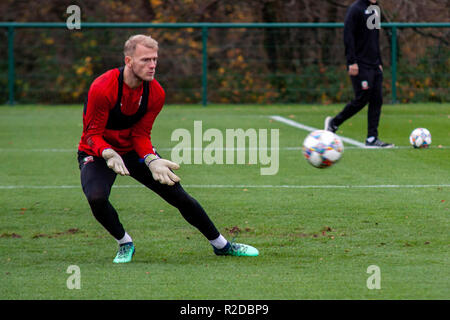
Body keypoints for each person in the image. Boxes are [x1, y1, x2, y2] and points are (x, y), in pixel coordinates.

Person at [77, 34, 258, 263]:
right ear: (129, 61)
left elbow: (141, 135)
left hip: (132, 150)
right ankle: (125, 242)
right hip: (97, 151)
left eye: (155, 59)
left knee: (179, 195)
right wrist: (108, 153)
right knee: (96, 197)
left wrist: (151, 159)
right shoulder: (103, 87)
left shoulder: (155, 93)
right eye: (145, 60)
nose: (152, 65)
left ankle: (222, 245)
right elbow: (92, 135)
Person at [324, 0, 394, 148]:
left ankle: (372, 138)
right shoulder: (355, 9)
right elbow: (348, 35)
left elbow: (374, 38)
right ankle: (334, 122)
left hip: (374, 64)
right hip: (360, 64)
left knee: (377, 99)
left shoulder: (375, 9)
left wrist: (379, 61)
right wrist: (352, 61)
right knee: (362, 98)